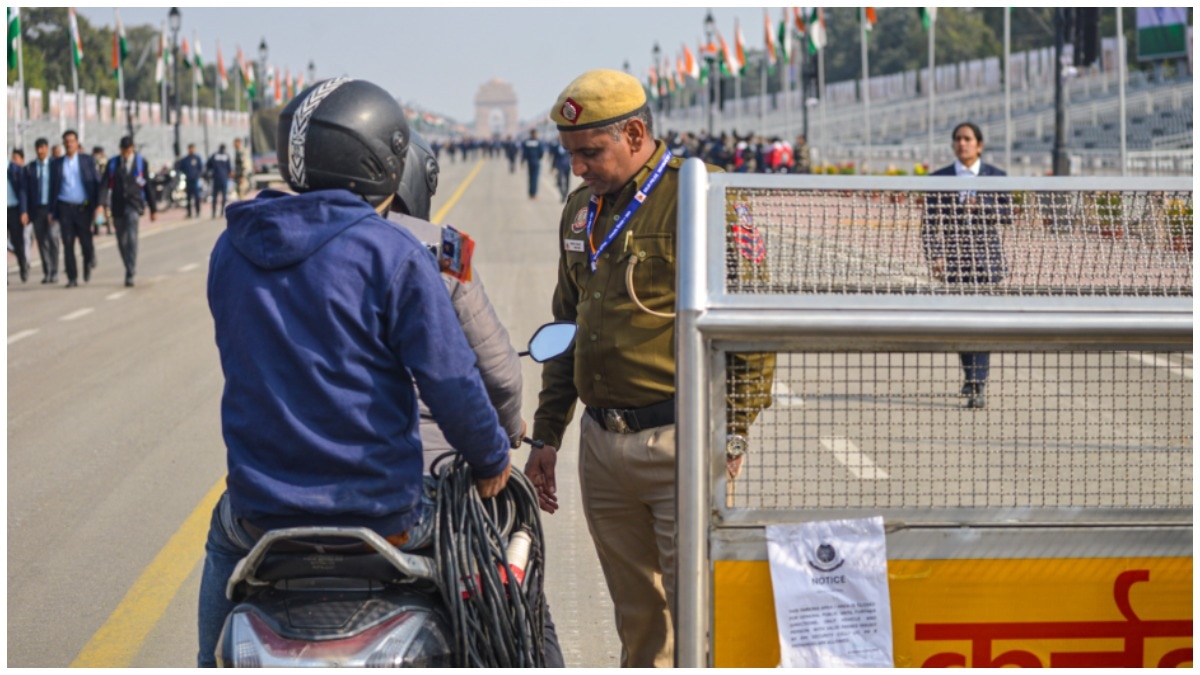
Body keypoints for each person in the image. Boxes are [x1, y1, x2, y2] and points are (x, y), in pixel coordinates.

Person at [197, 78, 513, 667]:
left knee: (220, 544)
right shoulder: (393, 253)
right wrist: (492, 457)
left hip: (261, 512)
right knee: (496, 582)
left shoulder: (231, 248)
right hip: (384, 511)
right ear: (380, 161)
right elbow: (452, 381)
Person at [524, 69, 774, 668]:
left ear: (635, 132)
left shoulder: (704, 196)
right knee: (639, 626)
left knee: (698, 616)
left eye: (590, 152)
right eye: (570, 155)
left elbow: (752, 324)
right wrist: (547, 435)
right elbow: (567, 326)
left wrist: (732, 429)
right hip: (603, 449)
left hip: (680, 444)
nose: (577, 167)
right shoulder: (581, 211)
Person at [923, 121, 1009, 410]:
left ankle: (978, 381)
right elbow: (929, 225)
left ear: (979, 145)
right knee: (962, 323)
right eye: (958, 139)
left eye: (968, 139)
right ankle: (970, 374)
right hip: (955, 260)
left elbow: (1007, 215)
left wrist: (981, 207)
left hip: (987, 262)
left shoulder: (996, 177)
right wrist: (935, 255)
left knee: (982, 323)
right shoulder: (940, 179)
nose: (963, 144)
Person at [101, 136, 157, 287]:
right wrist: (101, 204)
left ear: (132, 148)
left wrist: (153, 208)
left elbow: (147, 185)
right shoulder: (113, 163)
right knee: (121, 240)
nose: (126, 153)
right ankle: (128, 265)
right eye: (123, 150)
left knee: (132, 238)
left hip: (134, 205)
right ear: (120, 149)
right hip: (117, 206)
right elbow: (105, 184)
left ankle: (130, 271)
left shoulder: (140, 163)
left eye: (128, 150)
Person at [49, 130, 102, 288]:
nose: (69, 144)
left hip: (83, 208)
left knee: (86, 242)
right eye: (66, 141)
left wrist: (98, 205)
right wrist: (51, 211)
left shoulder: (87, 161)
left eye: (72, 141)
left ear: (77, 142)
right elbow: (52, 189)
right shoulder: (57, 164)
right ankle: (72, 277)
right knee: (68, 243)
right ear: (63, 144)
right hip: (65, 207)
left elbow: (96, 183)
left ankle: (87, 261)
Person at [23, 138, 60, 284]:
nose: (40, 151)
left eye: (43, 147)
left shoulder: (55, 166)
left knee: (52, 238)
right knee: (41, 241)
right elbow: (25, 191)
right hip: (37, 210)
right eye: (38, 148)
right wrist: (25, 211)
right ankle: (47, 271)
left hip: (51, 209)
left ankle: (55, 270)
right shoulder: (30, 168)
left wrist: (55, 210)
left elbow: (58, 188)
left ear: (47, 148)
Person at [8, 149, 29, 283]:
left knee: (18, 242)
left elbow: (23, 192)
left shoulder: (15, 169)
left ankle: (23, 265)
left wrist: (23, 211)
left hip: (13, 210)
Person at [175, 143, 204, 218]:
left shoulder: (197, 158)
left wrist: (197, 175)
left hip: (195, 180)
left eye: (192, 148)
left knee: (197, 197)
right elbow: (180, 167)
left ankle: (198, 212)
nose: (191, 150)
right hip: (188, 180)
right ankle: (189, 213)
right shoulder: (185, 159)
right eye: (190, 148)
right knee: (188, 198)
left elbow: (200, 168)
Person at [206, 144, 232, 218]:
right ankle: (221, 212)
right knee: (223, 196)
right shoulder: (226, 156)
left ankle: (214, 212)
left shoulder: (214, 155)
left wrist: (211, 172)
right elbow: (229, 168)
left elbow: (208, 165)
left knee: (215, 196)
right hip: (223, 179)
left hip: (216, 178)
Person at [92, 146, 112, 235]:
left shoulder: (96, 161)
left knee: (102, 208)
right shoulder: (103, 160)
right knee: (103, 209)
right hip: (102, 189)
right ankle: (103, 227)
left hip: (100, 189)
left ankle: (99, 227)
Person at [520, 128, 545, 200]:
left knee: (530, 178)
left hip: (529, 162)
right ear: (535, 134)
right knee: (535, 178)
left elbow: (524, 153)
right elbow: (541, 152)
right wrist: (538, 158)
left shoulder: (526, 142)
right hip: (536, 162)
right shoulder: (539, 142)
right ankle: (533, 194)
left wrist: (522, 162)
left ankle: (530, 193)